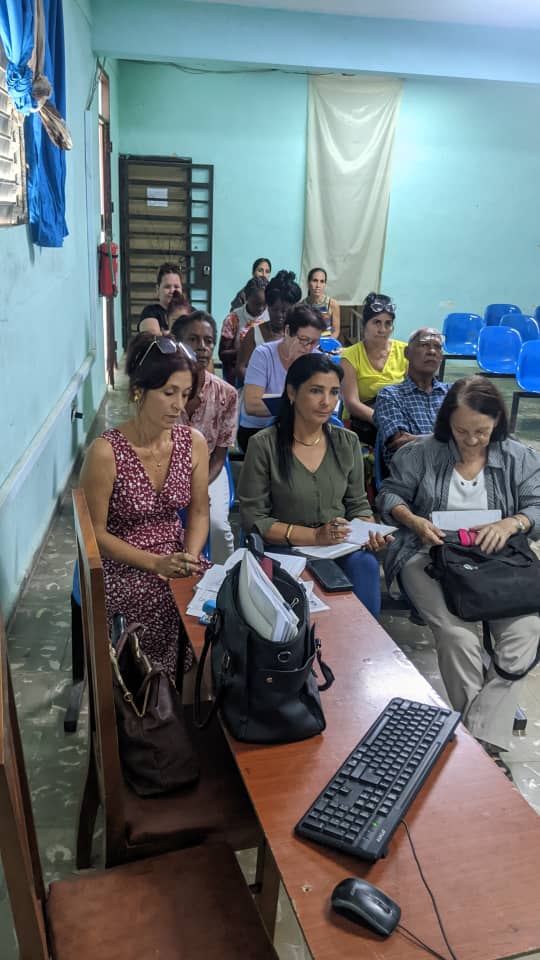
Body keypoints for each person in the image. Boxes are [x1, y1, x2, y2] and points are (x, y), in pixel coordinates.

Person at [377, 376, 540, 759]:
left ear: (497, 420)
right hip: (429, 554)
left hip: (496, 560)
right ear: (447, 422)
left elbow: (536, 507)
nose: (470, 440)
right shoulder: (421, 453)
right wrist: (414, 520)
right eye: (461, 430)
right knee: (458, 637)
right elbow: (389, 496)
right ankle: (488, 752)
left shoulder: (520, 457)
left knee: (528, 629)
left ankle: (477, 741)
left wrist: (511, 523)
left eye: (481, 431)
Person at [80, 332, 210, 680]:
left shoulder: (192, 443)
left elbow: (198, 512)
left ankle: (195, 707)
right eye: (168, 393)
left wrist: (191, 556)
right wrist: (155, 563)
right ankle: (147, 701)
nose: (178, 405)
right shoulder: (106, 452)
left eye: (185, 395)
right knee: (157, 600)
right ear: (140, 390)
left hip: (176, 556)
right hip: (123, 563)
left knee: (217, 605)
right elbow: (96, 534)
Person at [238, 354, 387, 617]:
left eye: (334, 392)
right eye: (316, 391)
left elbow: (357, 503)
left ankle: (364, 649)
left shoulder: (347, 442)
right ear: (292, 392)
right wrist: (315, 537)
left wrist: (368, 530)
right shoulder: (264, 445)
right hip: (284, 548)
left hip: (339, 545)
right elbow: (254, 518)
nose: (326, 402)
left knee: (365, 564)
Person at [171, 310, 238, 563]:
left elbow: (220, 454)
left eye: (208, 341)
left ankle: (224, 581)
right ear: (178, 344)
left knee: (219, 526)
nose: (202, 347)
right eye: (193, 339)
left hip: (209, 469)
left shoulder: (227, 394)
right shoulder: (162, 392)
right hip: (164, 470)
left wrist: (196, 485)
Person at [237, 304, 326, 451]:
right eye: (304, 339)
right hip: (258, 430)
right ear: (287, 331)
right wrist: (297, 404)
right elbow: (252, 405)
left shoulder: (315, 357)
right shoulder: (263, 355)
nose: (309, 348)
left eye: (315, 342)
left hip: (298, 429)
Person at [374, 327, 449, 464]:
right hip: (413, 478)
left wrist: (416, 439)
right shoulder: (390, 396)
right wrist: (451, 440)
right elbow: (401, 446)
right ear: (407, 353)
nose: (432, 351)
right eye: (424, 345)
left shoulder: (452, 393)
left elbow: (471, 437)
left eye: (437, 347)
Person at [341, 293, 407, 446]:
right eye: (376, 322)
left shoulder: (405, 352)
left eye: (388, 323)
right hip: (362, 423)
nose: (382, 329)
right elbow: (352, 403)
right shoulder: (350, 356)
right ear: (365, 325)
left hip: (398, 420)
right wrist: (384, 420)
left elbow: (412, 394)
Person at [236, 269, 302, 384]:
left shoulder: (300, 335)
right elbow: (241, 368)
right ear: (267, 306)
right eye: (274, 310)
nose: (279, 315)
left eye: (285, 311)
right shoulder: (254, 334)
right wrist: (262, 384)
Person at [218, 277, 269, 385]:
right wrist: (245, 350)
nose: (260, 308)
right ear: (247, 297)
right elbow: (222, 355)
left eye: (264, 304)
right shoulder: (233, 319)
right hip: (236, 378)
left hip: (263, 375)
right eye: (256, 303)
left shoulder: (270, 317)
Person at [138, 262, 183, 334]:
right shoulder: (150, 311)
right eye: (167, 287)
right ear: (157, 289)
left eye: (176, 287)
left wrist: (165, 334)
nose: (172, 291)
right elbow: (153, 337)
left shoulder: (192, 312)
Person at [302, 267, 340, 338]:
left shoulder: (332, 304)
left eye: (322, 281)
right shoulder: (302, 306)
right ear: (308, 283)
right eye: (315, 280)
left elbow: (335, 330)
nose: (318, 285)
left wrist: (326, 345)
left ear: (325, 284)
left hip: (327, 345)